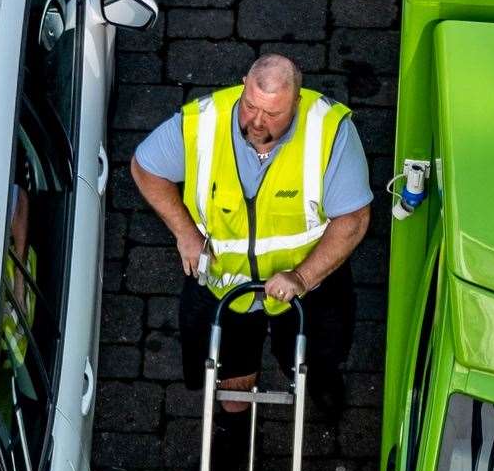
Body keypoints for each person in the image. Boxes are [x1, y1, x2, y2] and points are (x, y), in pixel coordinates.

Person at [131, 53, 371, 428]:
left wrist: (302, 278)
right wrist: (186, 234)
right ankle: (236, 428)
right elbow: (146, 168)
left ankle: (320, 382)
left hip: (309, 288)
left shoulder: (329, 132)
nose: (256, 122)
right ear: (243, 84)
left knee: (318, 354)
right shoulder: (203, 123)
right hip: (224, 285)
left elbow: (353, 220)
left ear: (298, 101)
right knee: (230, 368)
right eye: (250, 106)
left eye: (273, 114)